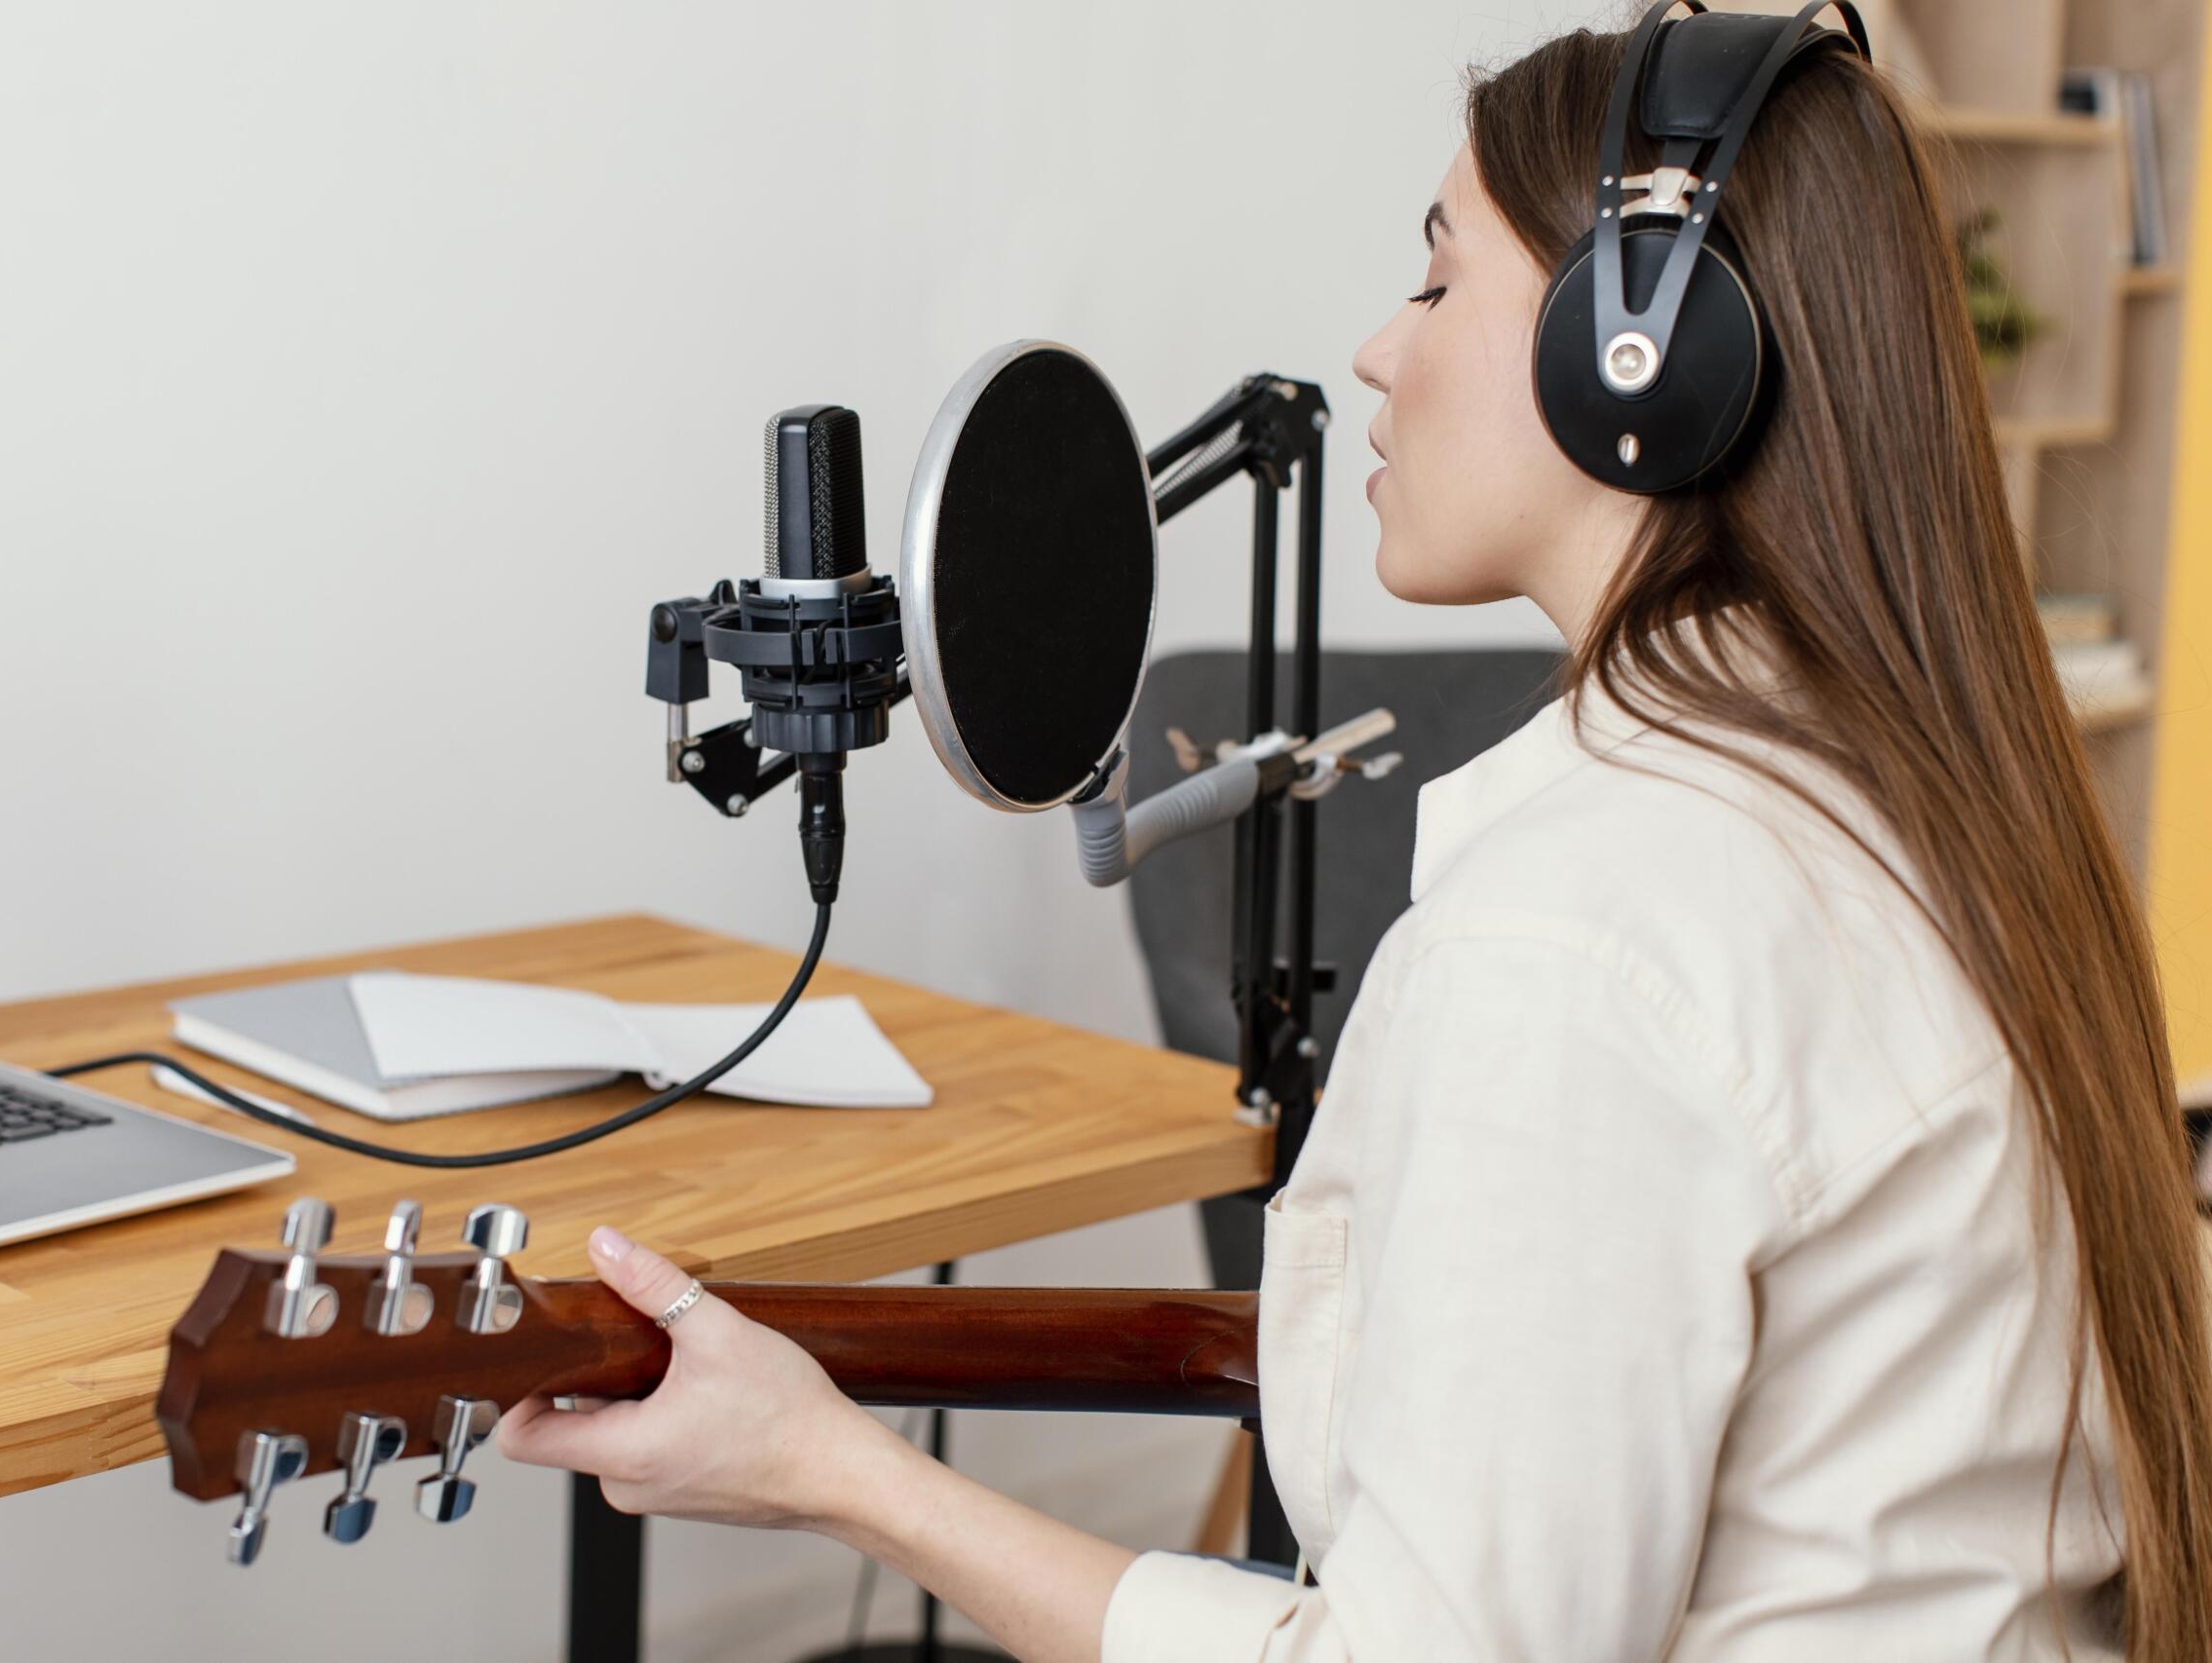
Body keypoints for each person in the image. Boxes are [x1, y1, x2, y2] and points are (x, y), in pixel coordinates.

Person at [495, 14, 2212, 1662]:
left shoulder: (1584, 937)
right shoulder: (1920, 796)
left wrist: (833, 1477)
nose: (1379, 349)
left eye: (1440, 278)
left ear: (1636, 358)